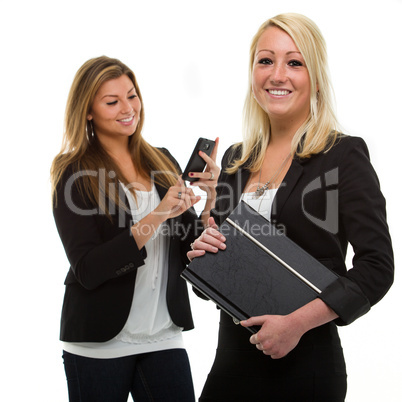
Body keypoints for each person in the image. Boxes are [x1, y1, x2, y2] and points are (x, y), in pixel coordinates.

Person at [187, 13, 394, 402]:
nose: (277, 74)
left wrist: (297, 324)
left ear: (314, 77)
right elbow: (212, 285)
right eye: (266, 60)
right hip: (232, 363)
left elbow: (377, 267)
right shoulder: (235, 159)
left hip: (307, 365)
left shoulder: (343, 155)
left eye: (294, 62)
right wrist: (206, 250)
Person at [51, 56, 219, 402]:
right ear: (88, 111)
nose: (128, 108)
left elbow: (190, 250)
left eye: (132, 95)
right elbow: (88, 268)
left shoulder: (162, 160)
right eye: (112, 102)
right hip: (99, 342)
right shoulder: (74, 172)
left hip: (163, 335)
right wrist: (157, 215)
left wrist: (211, 198)